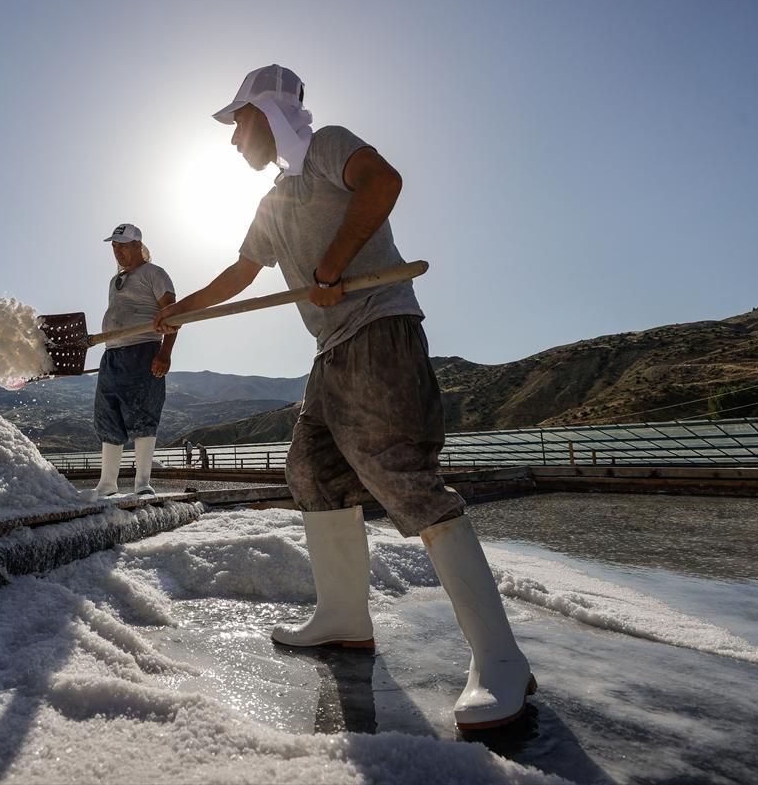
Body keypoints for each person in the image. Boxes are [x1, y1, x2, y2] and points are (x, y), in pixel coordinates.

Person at [154, 65, 534, 730]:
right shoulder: (272, 203)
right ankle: (344, 619)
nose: (231, 138)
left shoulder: (329, 145)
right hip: (332, 353)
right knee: (312, 472)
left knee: (404, 478)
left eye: (237, 121)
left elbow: (383, 182)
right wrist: (181, 311)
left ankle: (501, 661)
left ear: (268, 113)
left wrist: (331, 267)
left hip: (380, 330)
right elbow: (243, 271)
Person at [82, 223, 177, 500]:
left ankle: (142, 483)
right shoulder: (115, 281)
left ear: (138, 245)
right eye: (114, 246)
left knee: (143, 414)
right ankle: (107, 483)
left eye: (123, 245)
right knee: (108, 415)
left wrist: (165, 353)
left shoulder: (154, 273)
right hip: (112, 354)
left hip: (143, 349)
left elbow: (172, 313)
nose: (118, 251)